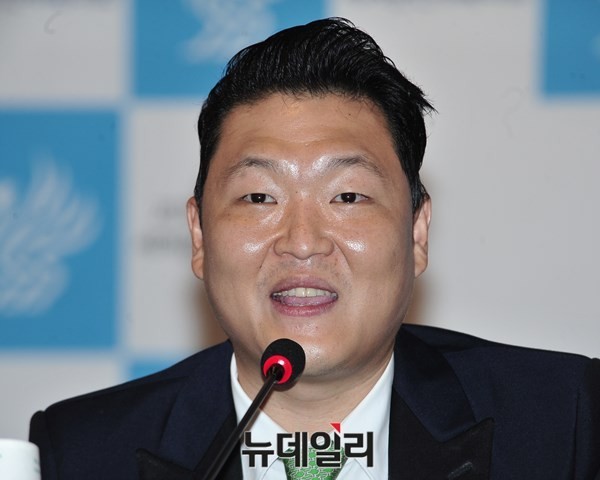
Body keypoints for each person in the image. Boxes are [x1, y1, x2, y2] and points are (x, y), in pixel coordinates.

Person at [30, 18, 599, 480]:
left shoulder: (565, 424)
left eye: (347, 196)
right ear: (199, 236)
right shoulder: (80, 453)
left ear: (417, 232)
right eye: (259, 197)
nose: (302, 243)